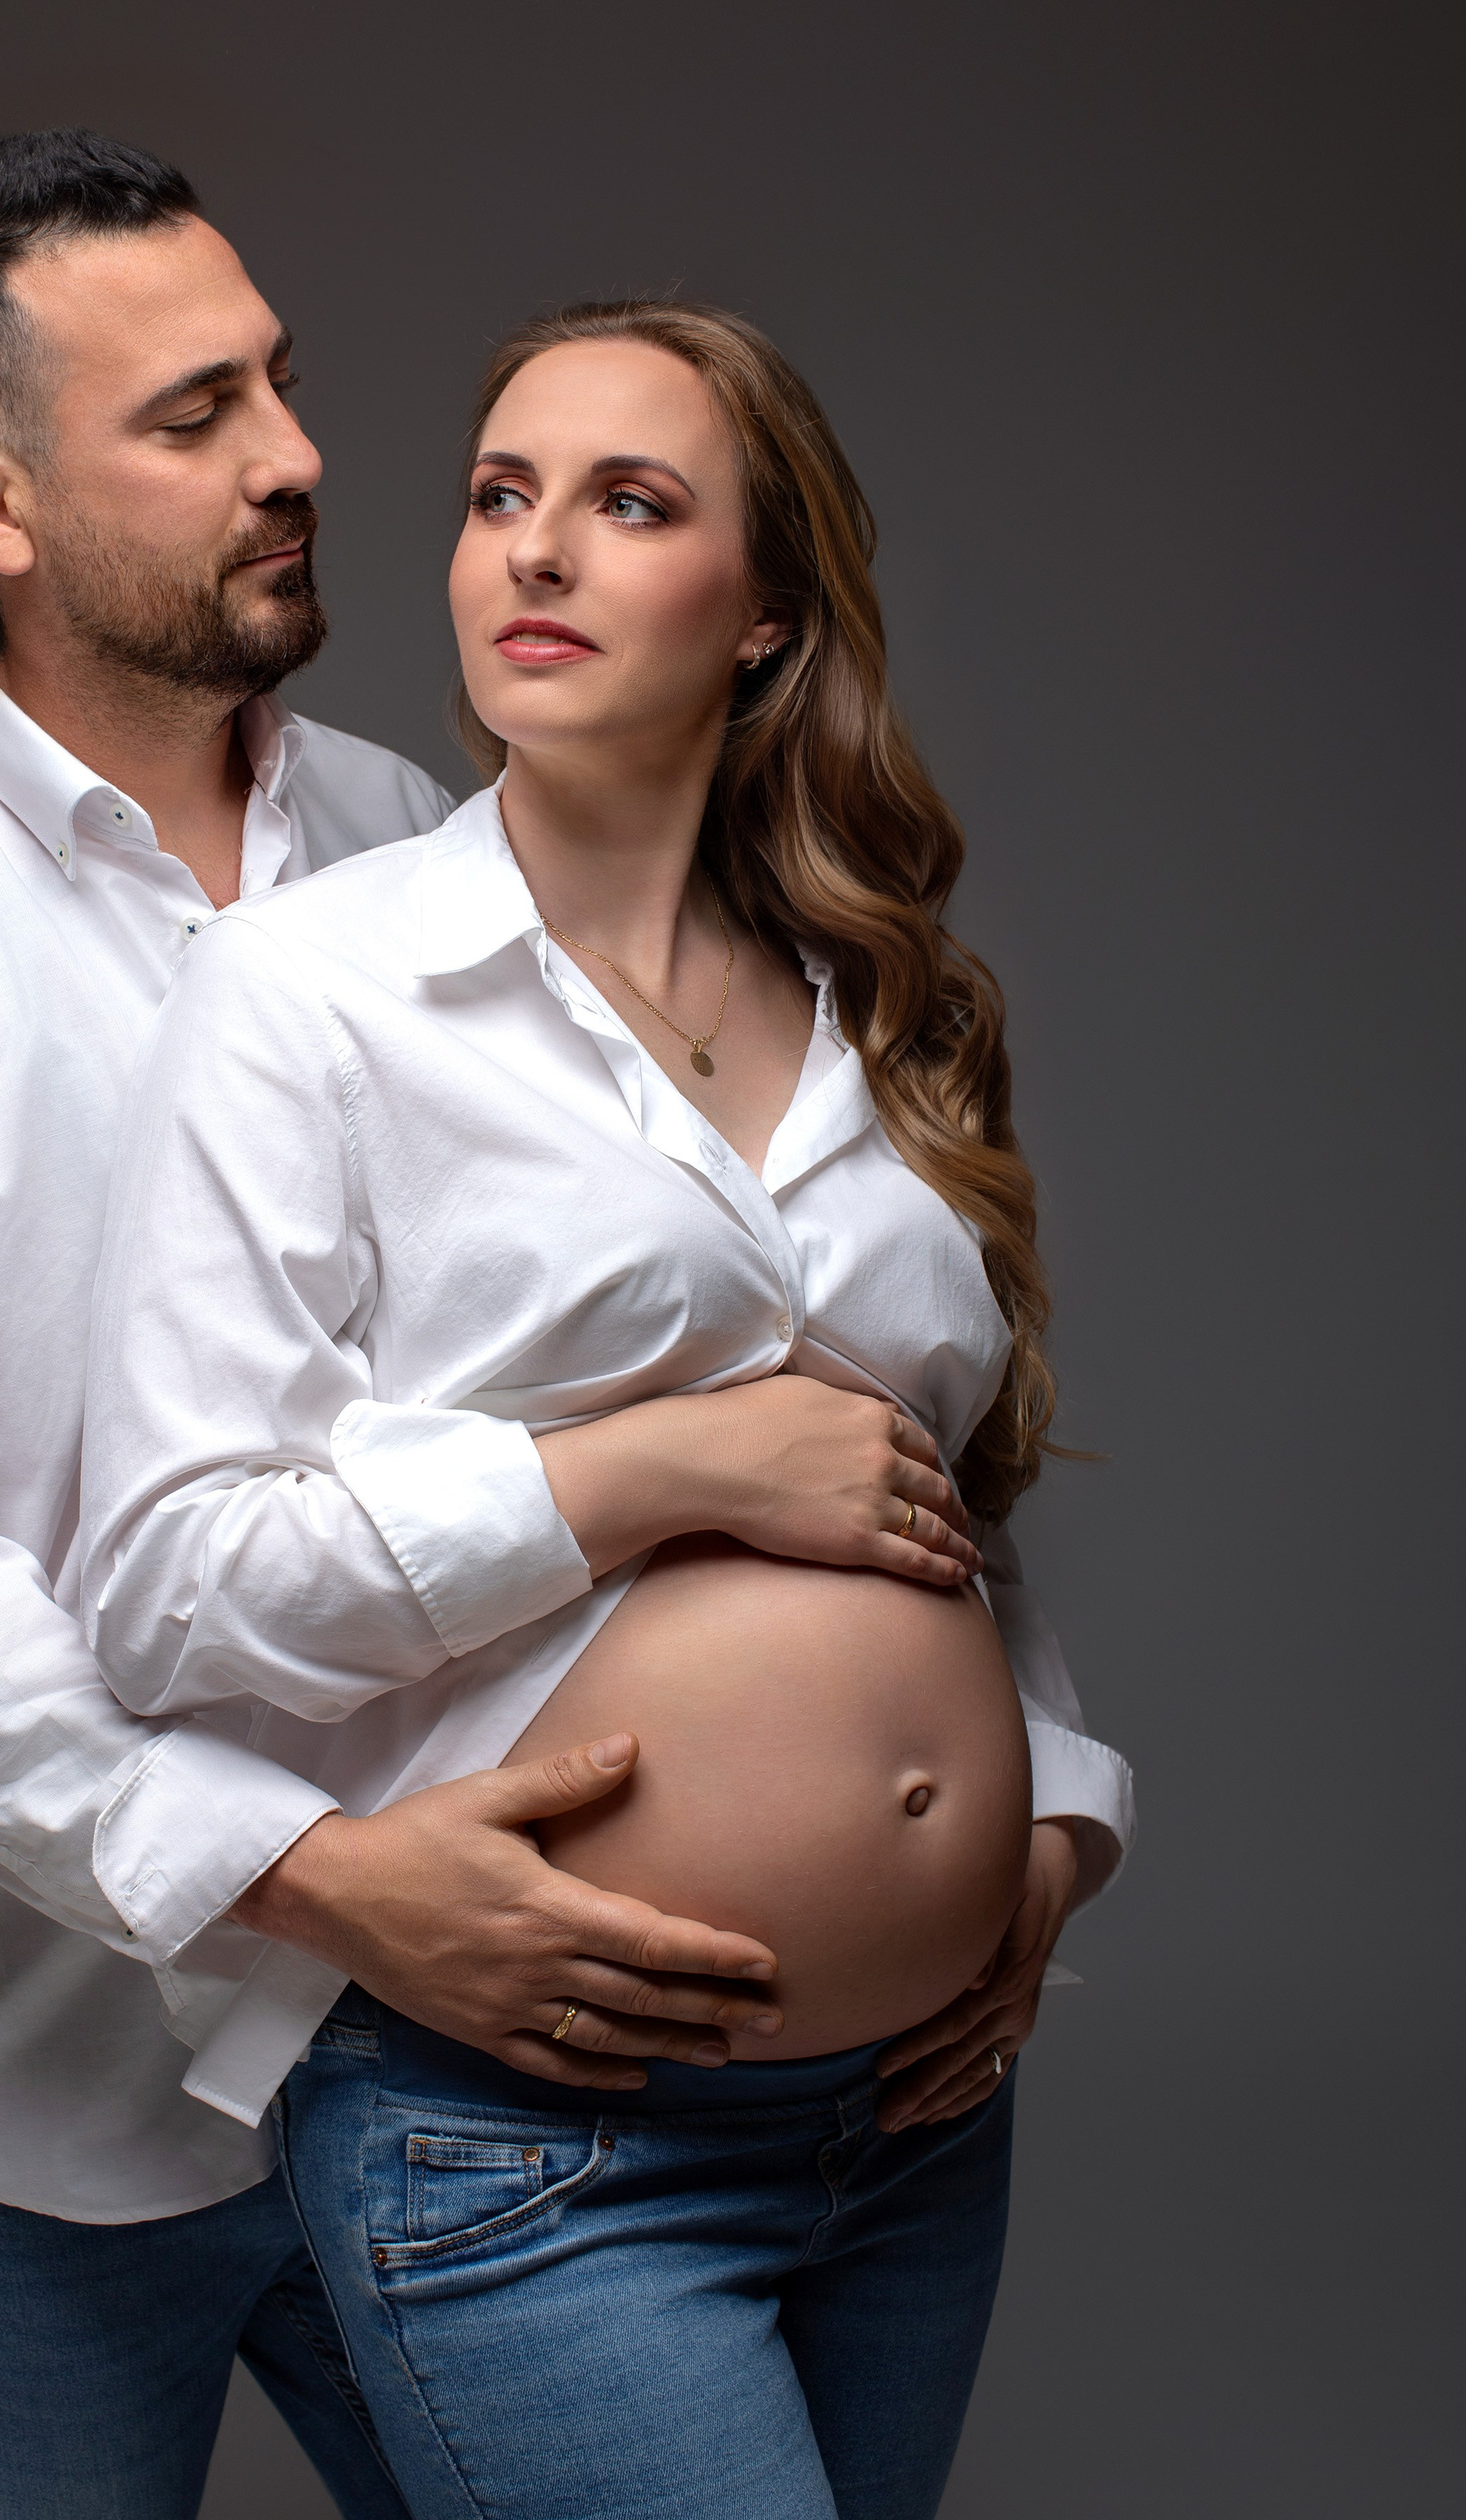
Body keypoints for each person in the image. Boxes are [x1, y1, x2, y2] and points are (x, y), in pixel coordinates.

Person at [0, 133, 814, 2520]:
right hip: (13, 2095)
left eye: (279, 380)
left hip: (439, 2043)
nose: (295, 459)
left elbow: (629, 1360)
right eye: (191, 418)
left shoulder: (417, 840)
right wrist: (305, 1871)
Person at [79, 301, 1136, 2518]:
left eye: (628, 503)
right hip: (544, 2128)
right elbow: (169, 1580)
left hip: (923, 2120)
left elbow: (941, 1507)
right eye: (498, 497)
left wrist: (1053, 1825)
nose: (531, 555)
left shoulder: (884, 1007)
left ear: (766, 614)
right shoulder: (306, 994)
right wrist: (639, 1473)